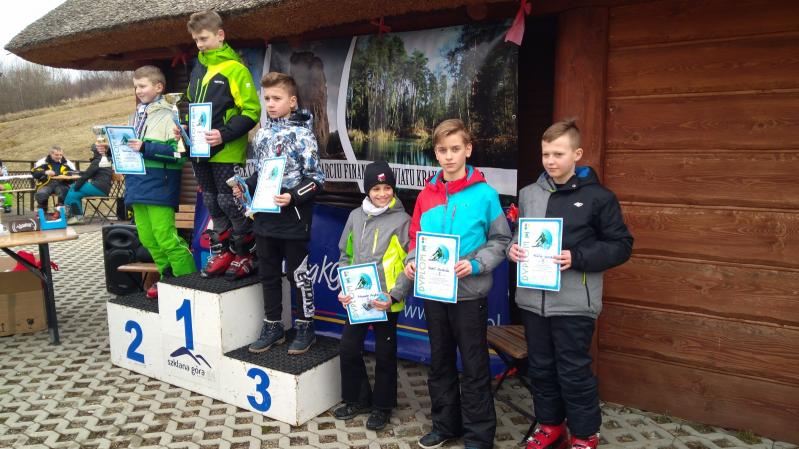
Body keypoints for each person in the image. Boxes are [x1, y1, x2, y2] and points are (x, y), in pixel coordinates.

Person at [507, 118, 633, 449]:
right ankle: (550, 426)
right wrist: (512, 249)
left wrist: (576, 257)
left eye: (558, 154)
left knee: (573, 371)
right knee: (541, 368)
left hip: (574, 302)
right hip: (533, 300)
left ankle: (584, 435)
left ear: (576, 154)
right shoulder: (529, 193)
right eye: (546, 154)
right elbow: (520, 235)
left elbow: (621, 245)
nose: (550, 161)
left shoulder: (599, 197)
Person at [404, 119, 511, 449]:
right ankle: (445, 425)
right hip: (434, 293)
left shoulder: (485, 195)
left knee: (475, 365)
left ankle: (479, 435)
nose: (449, 156)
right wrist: (412, 261)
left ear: (468, 149)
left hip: (469, 295)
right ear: (435, 153)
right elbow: (414, 238)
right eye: (442, 150)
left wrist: (476, 264)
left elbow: (501, 240)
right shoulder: (426, 195)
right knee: (440, 361)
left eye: (455, 149)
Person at [232, 72, 324, 355]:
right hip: (264, 217)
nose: (270, 104)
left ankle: (306, 326)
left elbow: (316, 179)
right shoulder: (261, 134)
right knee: (268, 273)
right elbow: (262, 174)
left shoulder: (304, 135)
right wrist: (244, 186)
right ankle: (273, 325)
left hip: (294, 218)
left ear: (292, 101)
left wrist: (293, 196)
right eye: (267, 99)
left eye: (277, 98)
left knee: (298, 275)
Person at [333, 161, 411, 431]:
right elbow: (345, 255)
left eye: (387, 187)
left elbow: (410, 264)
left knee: (385, 353)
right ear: (367, 190)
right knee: (348, 348)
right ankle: (358, 399)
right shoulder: (355, 216)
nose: (382, 194)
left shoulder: (403, 220)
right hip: (358, 301)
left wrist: (394, 294)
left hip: (387, 302)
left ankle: (382, 407)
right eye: (376, 189)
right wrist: (345, 287)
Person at [185, 10, 261, 280]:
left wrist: (223, 134)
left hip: (226, 149)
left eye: (204, 38)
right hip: (199, 150)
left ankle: (246, 253)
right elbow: (193, 107)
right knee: (211, 201)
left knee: (229, 201)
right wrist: (183, 129)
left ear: (220, 35)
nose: (200, 45)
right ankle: (225, 251)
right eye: (196, 40)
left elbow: (252, 112)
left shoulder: (235, 69)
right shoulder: (197, 68)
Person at [116, 65, 197, 299]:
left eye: (142, 86)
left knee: (166, 237)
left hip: (159, 185)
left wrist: (146, 147)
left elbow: (178, 155)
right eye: (135, 87)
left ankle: (189, 284)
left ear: (159, 87)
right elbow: (130, 150)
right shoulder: (135, 115)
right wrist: (111, 151)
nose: (138, 91)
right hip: (136, 184)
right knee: (148, 238)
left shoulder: (170, 114)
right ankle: (167, 278)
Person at [64, 145, 113, 225]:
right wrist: (78, 173)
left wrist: (76, 187)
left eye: (92, 152)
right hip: (104, 188)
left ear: (96, 151)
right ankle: (76, 217)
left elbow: (87, 175)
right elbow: (91, 172)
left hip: (98, 187)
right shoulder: (106, 159)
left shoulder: (97, 161)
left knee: (73, 188)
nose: (92, 154)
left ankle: (68, 213)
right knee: (75, 195)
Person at [31, 145, 77, 218]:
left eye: (60, 155)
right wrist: (45, 172)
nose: (59, 157)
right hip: (46, 184)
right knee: (41, 194)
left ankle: (59, 211)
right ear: (51, 154)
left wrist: (66, 176)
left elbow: (73, 173)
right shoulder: (43, 162)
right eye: (56, 155)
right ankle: (42, 212)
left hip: (61, 183)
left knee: (64, 192)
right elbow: (34, 173)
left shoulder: (67, 163)